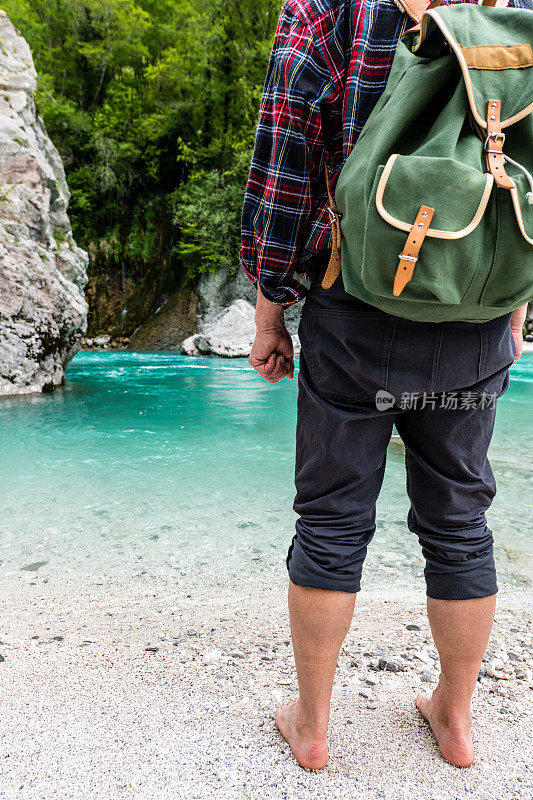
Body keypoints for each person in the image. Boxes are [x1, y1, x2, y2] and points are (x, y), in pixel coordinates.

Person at [240, 0, 529, 770]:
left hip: (356, 304)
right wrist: (515, 303)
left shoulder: (325, 10)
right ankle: (455, 720)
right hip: (476, 305)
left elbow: (283, 170)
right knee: (461, 518)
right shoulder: (517, 14)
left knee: (332, 521)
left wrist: (270, 312)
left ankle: (313, 725)